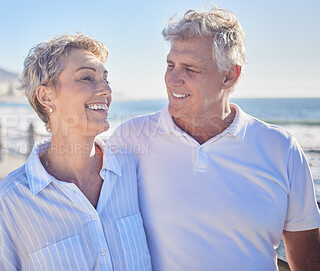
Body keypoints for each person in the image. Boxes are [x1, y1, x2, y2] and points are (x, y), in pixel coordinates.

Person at [108, 6, 320, 271]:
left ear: (229, 76)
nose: (173, 79)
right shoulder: (129, 139)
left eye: (190, 69)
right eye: (170, 65)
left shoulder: (282, 148)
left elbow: (309, 260)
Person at [0, 33, 151, 270]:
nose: (106, 90)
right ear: (46, 97)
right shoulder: (9, 204)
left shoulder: (132, 172)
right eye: (87, 77)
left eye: (106, 79)